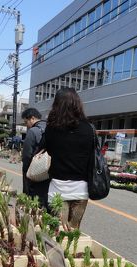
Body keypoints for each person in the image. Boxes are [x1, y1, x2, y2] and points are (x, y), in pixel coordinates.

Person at [44, 88, 94, 230]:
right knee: (73, 231)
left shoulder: (52, 128)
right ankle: (71, 252)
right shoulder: (88, 128)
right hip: (80, 189)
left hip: (57, 188)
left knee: (57, 230)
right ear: (77, 104)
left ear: (57, 105)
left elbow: (49, 151)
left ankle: (55, 252)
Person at [21, 108, 49, 208]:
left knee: (33, 198)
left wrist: (26, 172)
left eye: (26, 122)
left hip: (35, 170)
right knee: (45, 197)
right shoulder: (51, 127)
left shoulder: (33, 131)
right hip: (49, 170)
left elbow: (27, 155)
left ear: (32, 118)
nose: (26, 125)